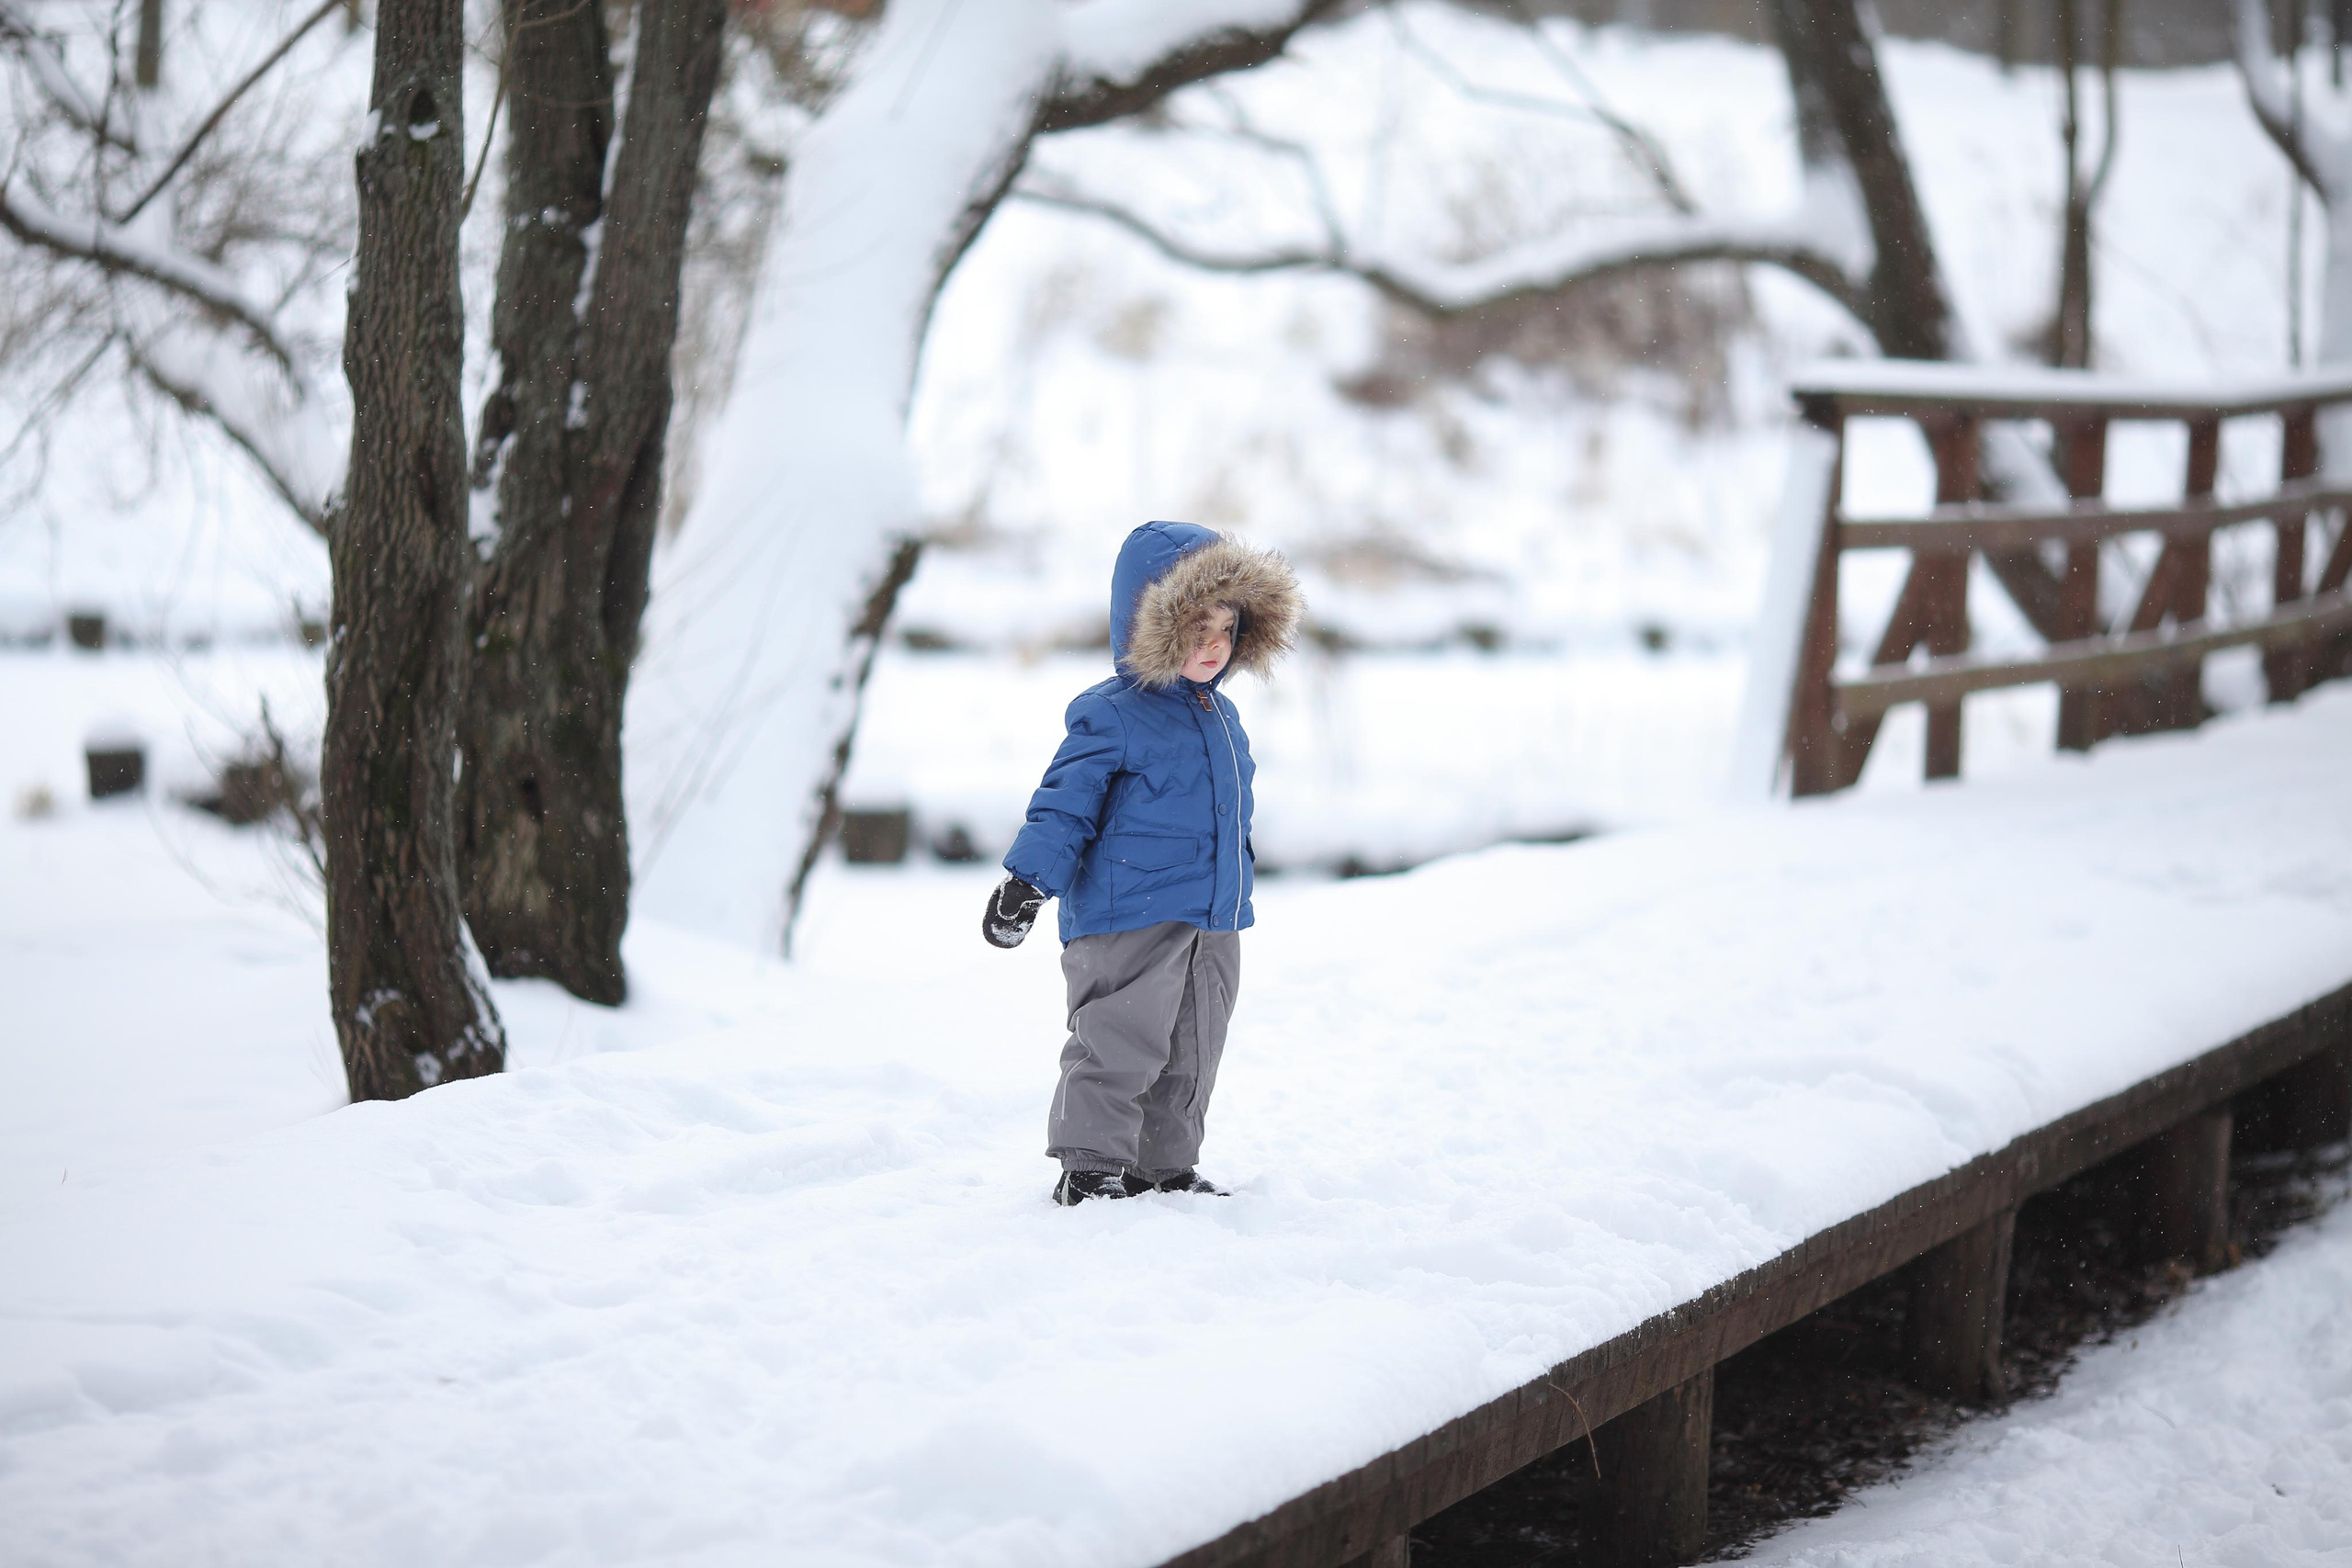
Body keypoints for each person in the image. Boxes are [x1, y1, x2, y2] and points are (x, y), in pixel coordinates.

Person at [982, 521, 1303, 1205]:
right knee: (1120, 1039)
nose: (1214, 644)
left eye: (1227, 627)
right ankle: (1091, 1166)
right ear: (1149, 625)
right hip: (1128, 914)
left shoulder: (1223, 717)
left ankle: (1164, 1165)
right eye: (1195, 627)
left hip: (1212, 915)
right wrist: (1027, 882)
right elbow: (1064, 805)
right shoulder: (1112, 714)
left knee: (1194, 1046)